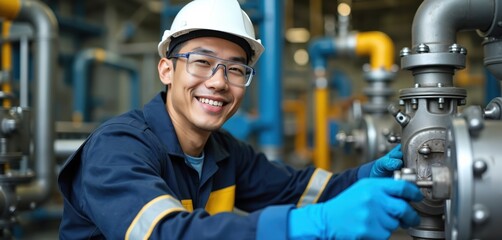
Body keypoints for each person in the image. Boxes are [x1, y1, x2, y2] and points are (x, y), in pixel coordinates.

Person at [58, 0, 423, 239]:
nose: (218, 82)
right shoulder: (117, 147)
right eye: (201, 62)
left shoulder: (224, 153)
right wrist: (315, 225)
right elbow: (165, 233)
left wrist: (367, 176)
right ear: (166, 70)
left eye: (235, 69)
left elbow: (299, 191)